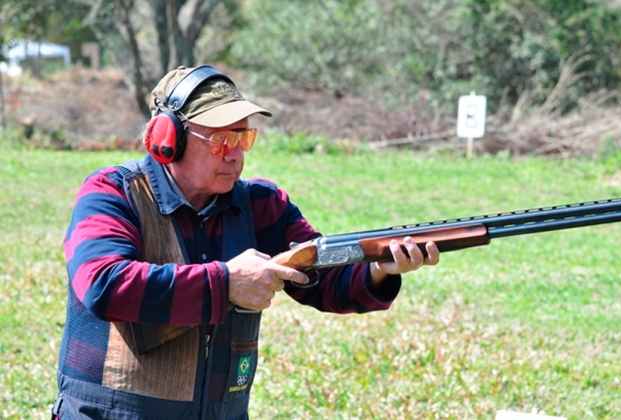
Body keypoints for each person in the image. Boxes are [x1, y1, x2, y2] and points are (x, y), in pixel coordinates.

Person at [51, 64, 440, 420]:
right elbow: (104, 284)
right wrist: (226, 284)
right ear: (169, 139)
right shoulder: (112, 192)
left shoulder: (260, 205)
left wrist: (377, 269)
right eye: (221, 139)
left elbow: (324, 279)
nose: (236, 155)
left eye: (243, 137)